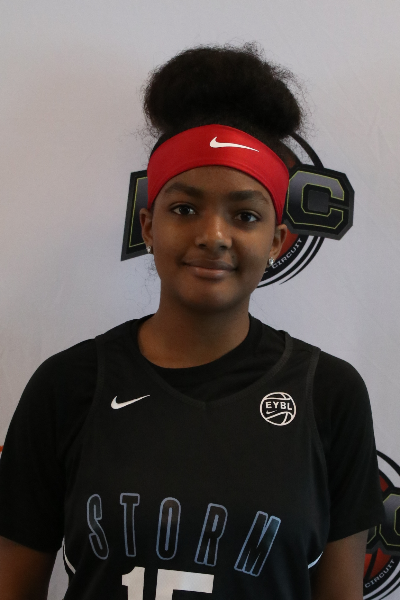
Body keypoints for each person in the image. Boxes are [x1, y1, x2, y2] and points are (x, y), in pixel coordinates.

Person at [0, 44, 383, 600]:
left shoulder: (329, 394)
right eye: (184, 209)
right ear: (147, 226)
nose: (213, 235)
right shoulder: (67, 385)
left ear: (277, 241)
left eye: (244, 215)